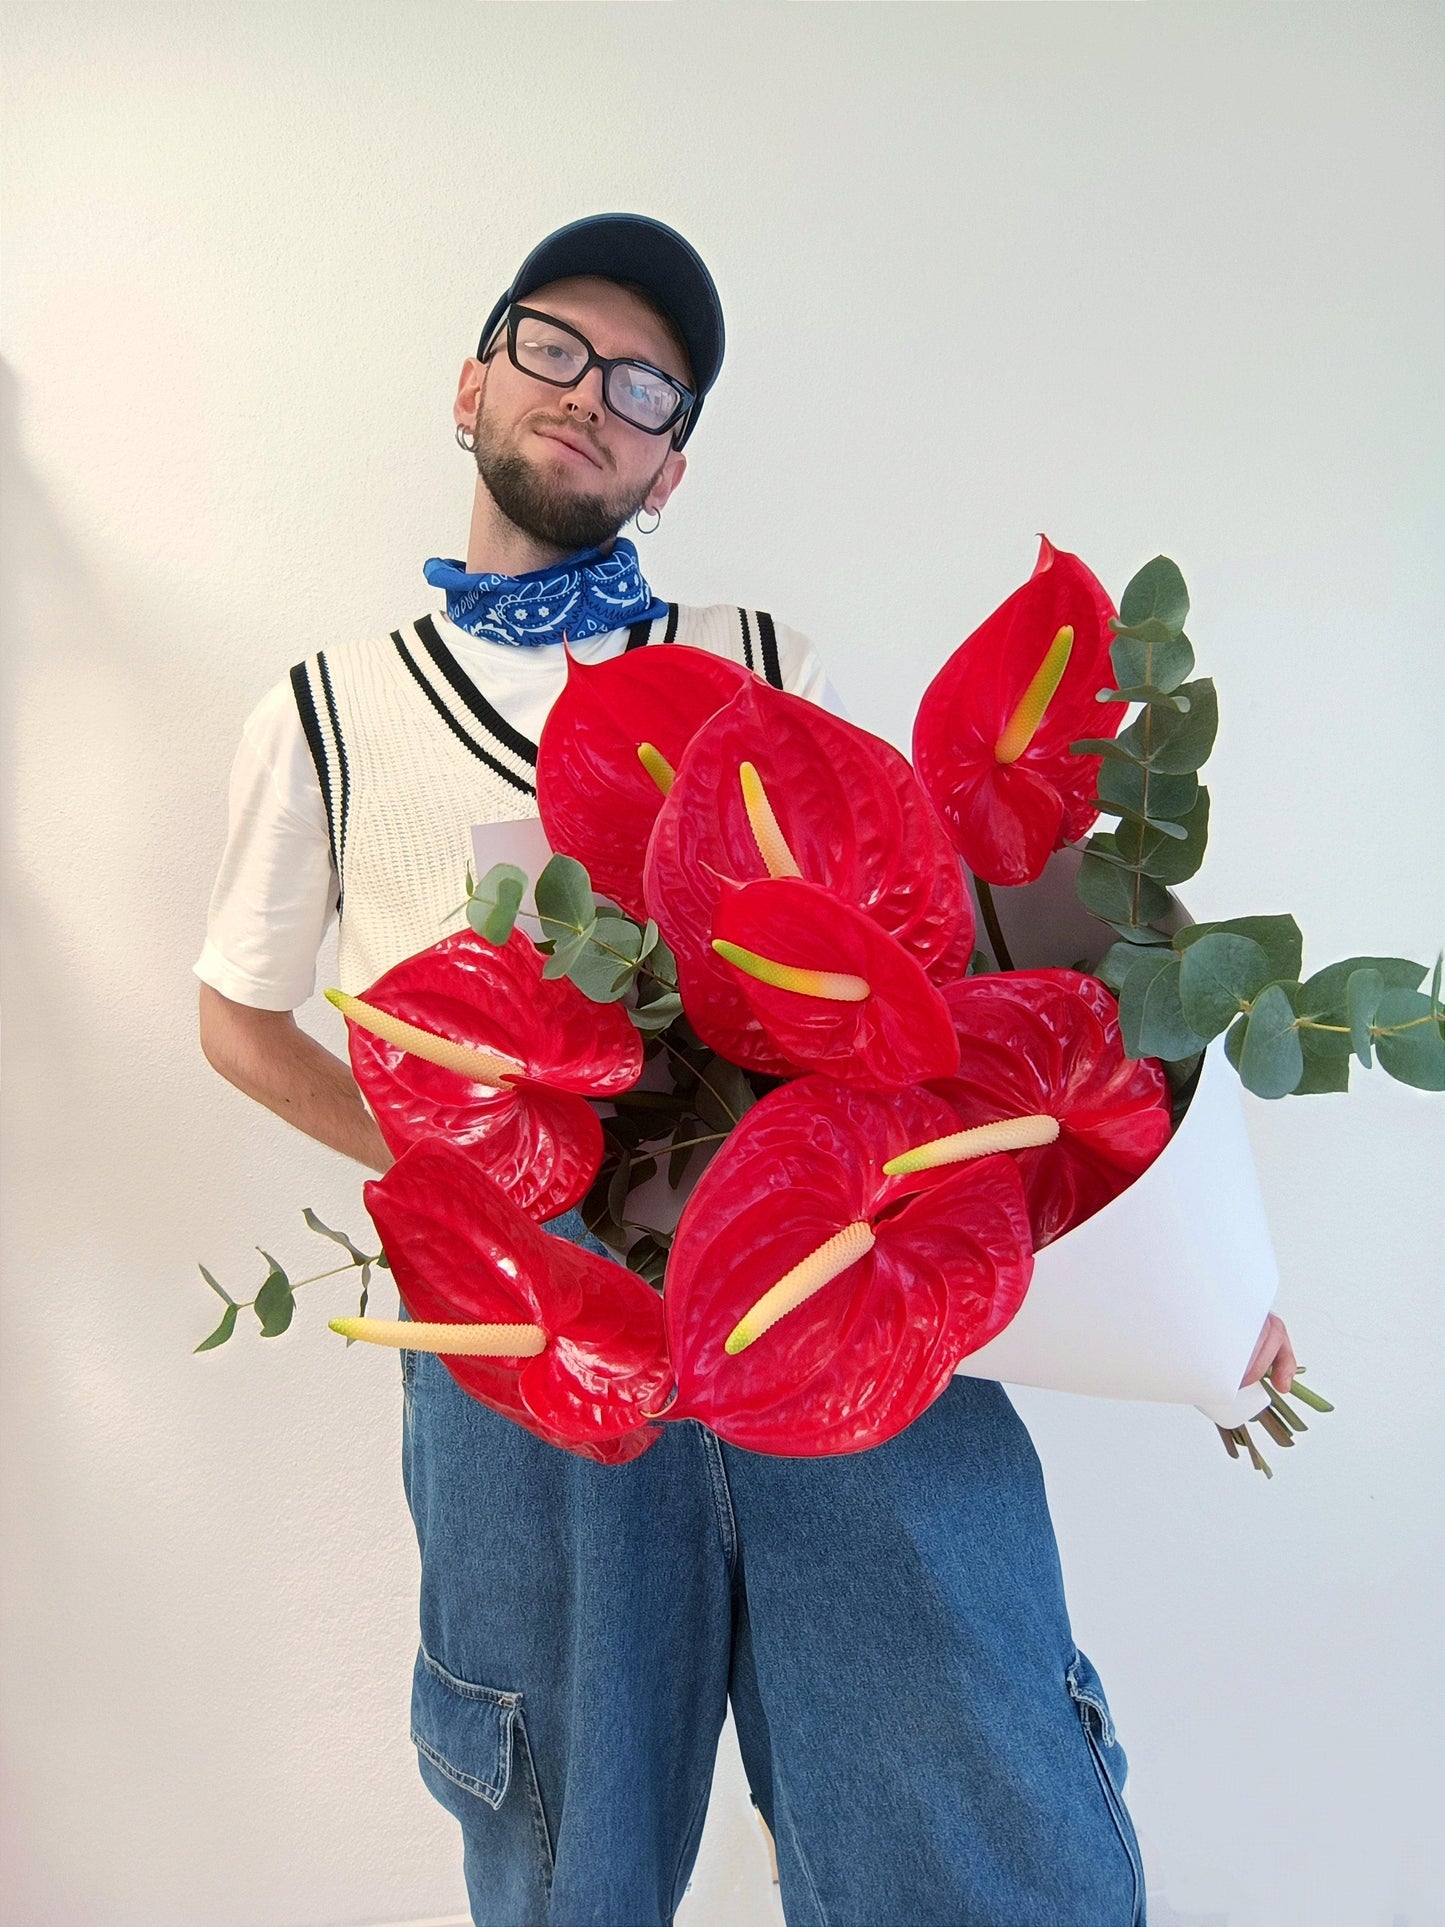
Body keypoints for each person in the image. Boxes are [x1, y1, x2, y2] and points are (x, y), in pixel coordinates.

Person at [195, 212, 1296, 1927]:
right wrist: (463, 1185)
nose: (591, 394)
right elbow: (239, 1019)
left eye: (646, 386)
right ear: (472, 383)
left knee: (958, 1794)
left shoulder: (761, 669)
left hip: (821, 1259)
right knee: (565, 1834)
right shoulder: (325, 714)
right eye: (553, 346)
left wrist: (1188, 1289)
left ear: (672, 467)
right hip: (545, 1328)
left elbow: (941, 985)